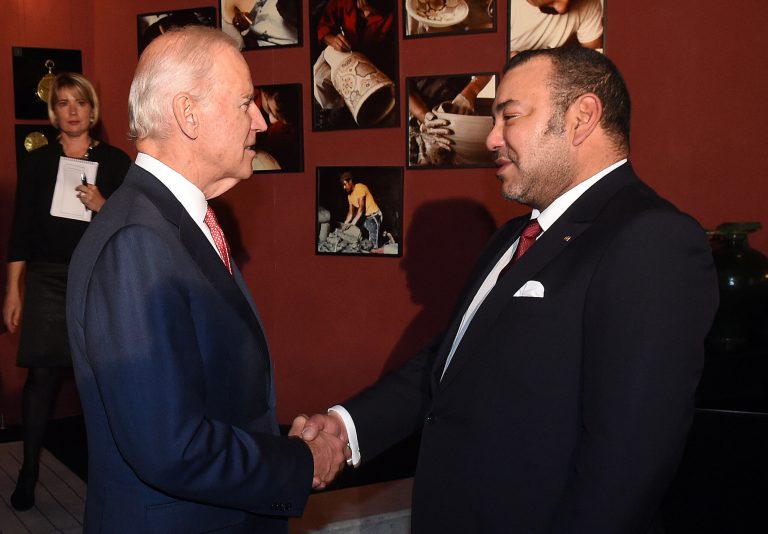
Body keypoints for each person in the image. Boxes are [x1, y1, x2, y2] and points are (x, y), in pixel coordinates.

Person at [294, 46, 719, 533]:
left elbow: (631, 454)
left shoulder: (651, 238)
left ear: (582, 118)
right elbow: (447, 365)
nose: (493, 138)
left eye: (509, 116)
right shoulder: (511, 237)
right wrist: (346, 427)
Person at [65, 26, 347, 533]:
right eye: (245, 103)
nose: (260, 120)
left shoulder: (170, 223)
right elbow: (170, 446)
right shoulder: (138, 241)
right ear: (188, 114)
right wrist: (299, 463)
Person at [3, 72, 131, 511]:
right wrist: (13, 291)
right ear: (53, 111)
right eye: (63, 103)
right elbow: (20, 231)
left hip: (98, 279)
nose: (72, 110)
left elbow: (135, 231)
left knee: (98, 383)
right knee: (41, 378)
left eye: (80, 102)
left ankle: (108, 476)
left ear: (93, 110)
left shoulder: (117, 163)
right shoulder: (37, 163)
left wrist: (104, 205)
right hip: (47, 278)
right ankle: (29, 470)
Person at [509, 0, 603, 56]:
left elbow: (594, 53)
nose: (562, 8)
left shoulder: (588, 2)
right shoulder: (503, 6)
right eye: (551, 1)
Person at [340, 171, 382, 249]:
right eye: (343, 185)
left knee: (372, 246)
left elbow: (360, 209)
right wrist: (345, 223)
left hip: (374, 216)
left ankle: (386, 235)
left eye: (345, 184)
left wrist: (352, 224)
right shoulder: (349, 196)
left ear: (350, 181)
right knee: (360, 240)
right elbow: (350, 212)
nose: (344, 187)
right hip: (365, 218)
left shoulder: (359, 187)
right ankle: (383, 234)